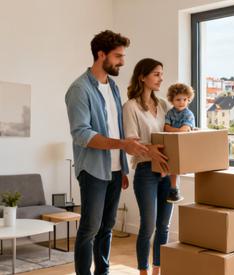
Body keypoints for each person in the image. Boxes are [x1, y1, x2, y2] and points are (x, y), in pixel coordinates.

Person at [65, 30, 165, 275]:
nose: (123, 61)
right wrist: (122, 146)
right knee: (90, 227)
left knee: (107, 226)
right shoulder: (79, 89)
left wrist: (122, 165)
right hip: (93, 170)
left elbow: (118, 128)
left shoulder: (114, 88)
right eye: (118, 56)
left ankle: (104, 272)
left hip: (115, 169)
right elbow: (82, 134)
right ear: (101, 55)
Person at [122, 58, 175, 275]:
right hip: (146, 171)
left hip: (167, 170)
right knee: (148, 226)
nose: (161, 78)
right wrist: (149, 149)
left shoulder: (163, 104)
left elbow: (176, 127)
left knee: (164, 225)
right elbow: (130, 144)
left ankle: (157, 270)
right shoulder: (130, 107)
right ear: (142, 77)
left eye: (161, 74)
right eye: (156, 74)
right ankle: (143, 271)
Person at [161, 83, 196, 203]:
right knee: (166, 159)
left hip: (183, 144)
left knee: (175, 166)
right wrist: (176, 130)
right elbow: (166, 128)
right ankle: (168, 182)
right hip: (171, 142)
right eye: (178, 99)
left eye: (185, 99)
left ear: (188, 99)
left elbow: (184, 130)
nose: (182, 102)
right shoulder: (170, 113)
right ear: (172, 100)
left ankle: (174, 188)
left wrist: (174, 130)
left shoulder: (189, 114)